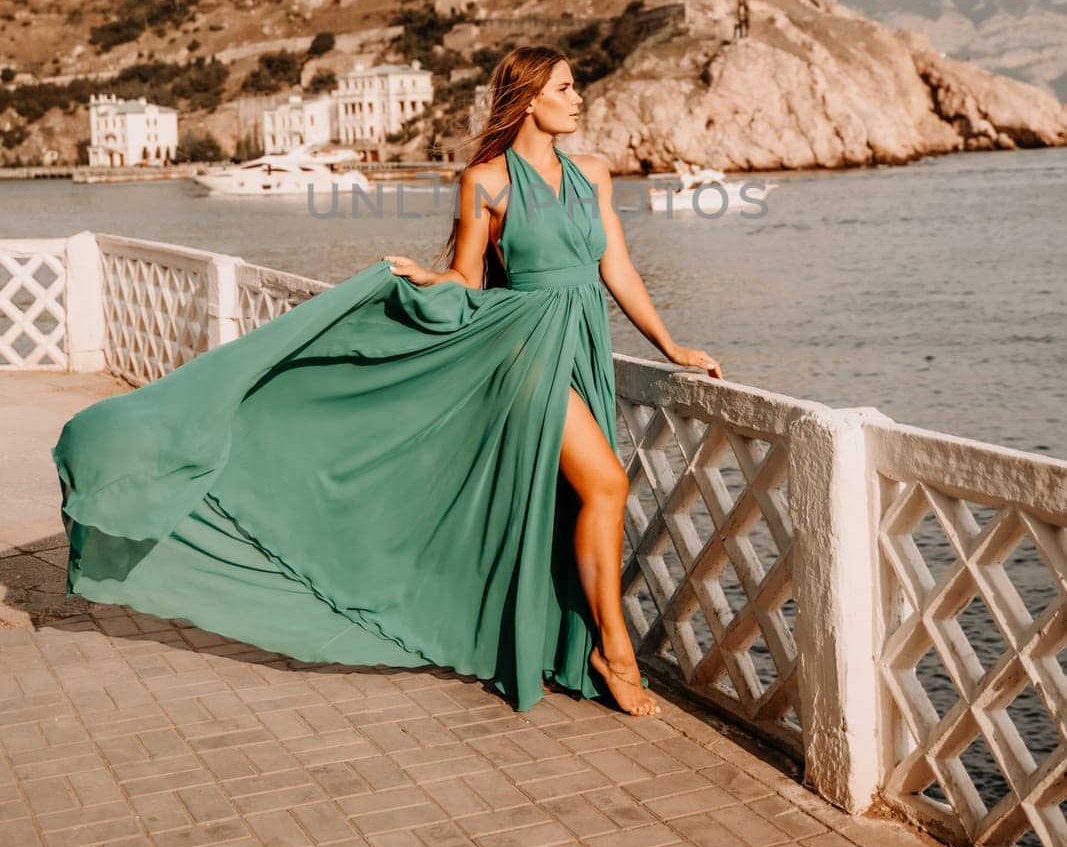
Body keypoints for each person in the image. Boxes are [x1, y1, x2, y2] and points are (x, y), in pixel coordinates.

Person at [52, 45, 724, 718]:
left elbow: (618, 270)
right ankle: (611, 646)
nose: (579, 100)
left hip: (581, 343)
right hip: (523, 353)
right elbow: (466, 280)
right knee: (606, 484)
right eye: (566, 89)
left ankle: (565, 638)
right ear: (528, 100)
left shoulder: (594, 174)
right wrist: (429, 281)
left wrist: (671, 345)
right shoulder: (486, 181)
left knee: (581, 499)